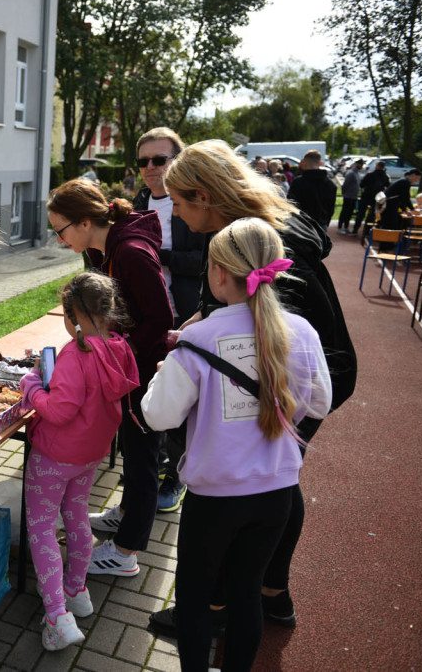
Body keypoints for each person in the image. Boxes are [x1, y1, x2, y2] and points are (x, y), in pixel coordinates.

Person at [151, 139, 356, 634]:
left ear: (204, 196)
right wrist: (204, 323)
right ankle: (271, 594)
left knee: (260, 484)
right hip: (302, 371)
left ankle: (217, 606)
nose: (175, 213)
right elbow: (242, 313)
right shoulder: (252, 233)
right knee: (276, 478)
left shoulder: (262, 246)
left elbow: (275, 328)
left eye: (178, 202)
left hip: (307, 376)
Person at [141, 218, 331, 672]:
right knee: (247, 591)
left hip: (215, 497)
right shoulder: (301, 331)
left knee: (194, 596)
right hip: (276, 493)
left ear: (218, 273)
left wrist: (161, 376)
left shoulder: (198, 338)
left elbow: (159, 415)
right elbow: (319, 400)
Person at [46, 179, 174, 578]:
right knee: (134, 452)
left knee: (143, 459)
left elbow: (161, 318)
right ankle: (125, 513)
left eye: (60, 230)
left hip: (139, 373)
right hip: (127, 368)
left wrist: (116, 355)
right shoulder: (106, 251)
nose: (60, 239)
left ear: (85, 222)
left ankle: (125, 551)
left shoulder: (131, 253)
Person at [19, 272, 139, 651]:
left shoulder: (75, 353)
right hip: (90, 454)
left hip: (55, 454)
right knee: (76, 516)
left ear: (72, 315)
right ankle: (77, 591)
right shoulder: (119, 347)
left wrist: (33, 387)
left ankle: (57, 616)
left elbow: (59, 410)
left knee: (41, 529)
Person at [130, 126, 206, 514]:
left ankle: (175, 478)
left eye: (160, 159)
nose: (150, 168)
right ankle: (150, 467)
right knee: (151, 395)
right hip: (151, 316)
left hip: (189, 313)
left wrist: (163, 257)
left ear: (178, 160)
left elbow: (210, 260)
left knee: (182, 402)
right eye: (143, 161)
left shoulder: (194, 203)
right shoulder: (139, 201)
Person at [287, 149, 338, 231]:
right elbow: (331, 208)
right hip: (321, 224)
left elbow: (290, 204)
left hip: (301, 224)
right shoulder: (330, 184)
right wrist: (325, 222)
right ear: (320, 163)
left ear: (304, 163)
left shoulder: (298, 183)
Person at [355, 160, 390, 244]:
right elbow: (387, 186)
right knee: (372, 215)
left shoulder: (370, 175)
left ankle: (355, 229)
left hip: (366, 196)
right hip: (376, 198)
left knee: (361, 213)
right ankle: (367, 231)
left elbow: (362, 184)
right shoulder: (385, 176)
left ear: (376, 166)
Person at [337, 158, 365, 234]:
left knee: (349, 213)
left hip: (353, 196)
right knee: (344, 212)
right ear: (357, 164)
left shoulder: (357, 174)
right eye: (360, 164)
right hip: (348, 196)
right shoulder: (351, 173)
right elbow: (345, 184)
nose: (362, 166)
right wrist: (344, 193)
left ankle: (346, 227)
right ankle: (339, 227)